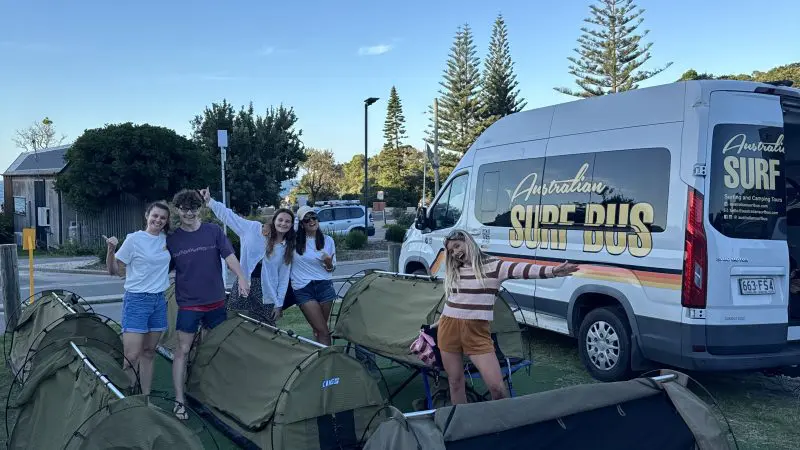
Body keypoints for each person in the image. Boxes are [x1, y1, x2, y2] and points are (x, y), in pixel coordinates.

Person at [435, 229, 579, 404]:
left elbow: (522, 269)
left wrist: (553, 271)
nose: (455, 252)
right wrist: (436, 324)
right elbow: (453, 302)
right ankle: (464, 425)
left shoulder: (494, 266)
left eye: (457, 246)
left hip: (477, 332)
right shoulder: (455, 271)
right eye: (451, 251)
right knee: (455, 383)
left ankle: (503, 422)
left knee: (497, 388)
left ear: (468, 242)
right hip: (448, 328)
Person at [167, 189, 250, 420]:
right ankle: (179, 400)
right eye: (184, 209)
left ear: (200, 208)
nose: (189, 213)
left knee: (215, 348)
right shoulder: (172, 239)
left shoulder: (213, 231)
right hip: (189, 305)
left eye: (193, 208)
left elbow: (230, 257)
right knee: (182, 350)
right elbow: (160, 265)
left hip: (216, 302)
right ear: (177, 210)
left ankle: (216, 394)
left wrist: (241, 277)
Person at [103, 201, 172, 397]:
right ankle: (126, 397)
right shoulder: (134, 239)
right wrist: (110, 250)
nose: (158, 220)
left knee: (149, 352)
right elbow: (114, 271)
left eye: (163, 218)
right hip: (137, 301)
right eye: (155, 215)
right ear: (147, 216)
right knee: (131, 356)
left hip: (159, 301)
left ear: (166, 222)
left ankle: (145, 398)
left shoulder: (167, 241)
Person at [200, 188, 295, 324]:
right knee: (232, 324)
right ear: (274, 220)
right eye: (280, 220)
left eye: (287, 221)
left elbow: (283, 277)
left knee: (264, 329)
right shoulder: (253, 229)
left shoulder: (287, 247)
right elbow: (229, 216)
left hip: (267, 292)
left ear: (291, 225)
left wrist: (279, 304)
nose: (283, 223)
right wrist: (210, 201)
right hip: (244, 285)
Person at [292, 206, 337, 345]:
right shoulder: (293, 241)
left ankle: (320, 358)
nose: (311, 221)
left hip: (324, 287)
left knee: (319, 329)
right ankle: (328, 363)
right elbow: (278, 228)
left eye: (314, 217)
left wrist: (328, 263)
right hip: (303, 288)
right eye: (307, 219)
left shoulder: (328, 240)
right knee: (323, 330)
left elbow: (331, 269)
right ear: (301, 224)